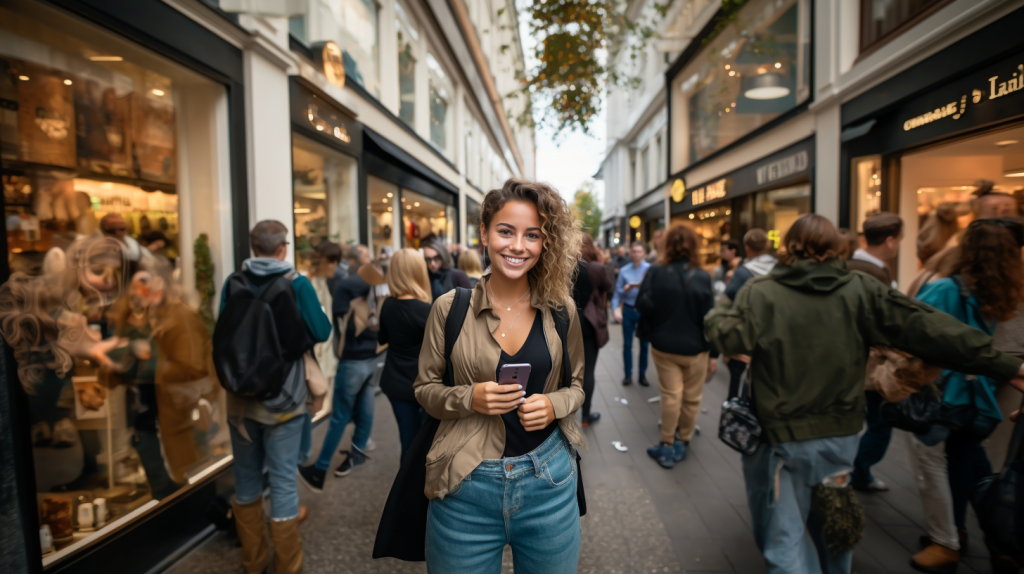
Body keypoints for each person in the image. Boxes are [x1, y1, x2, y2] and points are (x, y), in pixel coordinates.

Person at [704, 213, 1024, 574]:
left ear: (789, 248)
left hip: (780, 440)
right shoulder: (860, 289)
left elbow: (729, 338)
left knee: (783, 539)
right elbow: (930, 328)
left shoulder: (760, 292)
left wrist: (719, 310)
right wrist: (1007, 366)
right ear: (836, 248)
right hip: (839, 438)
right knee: (838, 528)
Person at [415, 178, 585, 573]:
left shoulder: (562, 310)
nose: (517, 246)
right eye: (506, 231)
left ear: (545, 244)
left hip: (549, 482)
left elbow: (577, 386)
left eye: (532, 235)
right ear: (485, 233)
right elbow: (425, 389)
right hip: (463, 483)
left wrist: (552, 403)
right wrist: (469, 398)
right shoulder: (448, 308)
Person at [907, 218, 1024, 573]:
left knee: (931, 459)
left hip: (944, 394)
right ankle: (1000, 542)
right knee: (972, 462)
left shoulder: (945, 289)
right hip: (981, 395)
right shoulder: (1003, 293)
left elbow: (910, 330)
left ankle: (947, 542)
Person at [218, 220, 331, 574]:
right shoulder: (297, 283)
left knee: (246, 480)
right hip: (285, 398)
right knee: (282, 480)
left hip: (239, 400)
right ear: (283, 247)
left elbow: (223, 332)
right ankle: (287, 567)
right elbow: (322, 330)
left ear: (254, 248)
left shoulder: (232, 282)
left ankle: (252, 563)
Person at [299, 244, 382, 490]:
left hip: (353, 358)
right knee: (366, 409)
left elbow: (334, 320)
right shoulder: (377, 281)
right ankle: (357, 453)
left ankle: (320, 469)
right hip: (373, 354)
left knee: (338, 416)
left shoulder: (344, 285)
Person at [636, 225, 716, 468]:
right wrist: (714, 352)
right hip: (697, 348)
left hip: (665, 346)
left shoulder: (655, 272)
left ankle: (667, 444)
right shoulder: (702, 276)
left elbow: (642, 304)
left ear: (666, 244)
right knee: (692, 398)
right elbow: (710, 317)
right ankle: (684, 439)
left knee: (671, 396)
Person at [846, 213, 904, 496]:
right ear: (890, 241)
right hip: (870, 362)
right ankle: (859, 471)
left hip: (849, 360)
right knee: (880, 424)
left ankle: (852, 470)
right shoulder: (876, 273)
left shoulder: (847, 265)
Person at [377, 248, 433, 461]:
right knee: (427, 444)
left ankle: (405, 492)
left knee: (408, 442)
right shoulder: (426, 310)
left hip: (395, 382)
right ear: (419, 272)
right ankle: (418, 492)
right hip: (424, 385)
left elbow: (382, 339)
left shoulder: (387, 304)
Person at [723, 229, 777, 400]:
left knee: (738, 373)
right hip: (774, 329)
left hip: (749, 331)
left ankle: (735, 411)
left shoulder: (744, 271)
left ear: (747, 247)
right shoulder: (780, 267)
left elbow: (730, 297)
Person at [572, 233, 612, 426]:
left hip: (566, 322)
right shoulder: (597, 268)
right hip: (589, 322)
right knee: (588, 371)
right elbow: (609, 288)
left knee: (566, 371)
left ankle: (565, 414)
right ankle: (586, 416)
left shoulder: (563, 267)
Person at [612, 241, 651, 386]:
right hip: (628, 309)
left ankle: (642, 374)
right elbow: (617, 292)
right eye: (634, 251)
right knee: (627, 344)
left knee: (644, 344)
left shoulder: (650, 269)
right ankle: (628, 374)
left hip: (644, 310)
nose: (636, 254)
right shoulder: (624, 270)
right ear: (630, 253)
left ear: (644, 254)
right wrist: (616, 309)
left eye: (639, 251)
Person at [847, 212, 901, 289]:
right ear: (890, 241)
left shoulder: (851, 262)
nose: (899, 246)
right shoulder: (877, 274)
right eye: (900, 239)